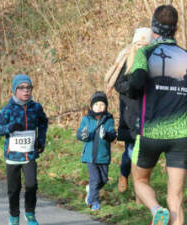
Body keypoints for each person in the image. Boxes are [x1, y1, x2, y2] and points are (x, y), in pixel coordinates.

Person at [125, 5, 187, 225]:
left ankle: (155, 209)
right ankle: (167, 212)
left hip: (150, 132)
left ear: (153, 28)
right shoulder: (185, 57)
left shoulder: (145, 53)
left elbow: (136, 84)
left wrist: (133, 89)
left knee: (140, 181)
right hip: (181, 137)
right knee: (176, 198)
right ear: (176, 28)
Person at [0, 74, 48, 225]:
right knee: (14, 189)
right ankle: (14, 216)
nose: (26, 91)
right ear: (15, 90)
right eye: (22, 88)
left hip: (29, 154)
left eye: (28, 87)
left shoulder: (36, 108)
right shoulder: (8, 109)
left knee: (31, 185)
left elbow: (43, 122)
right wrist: (9, 128)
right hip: (13, 156)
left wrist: (41, 140)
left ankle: (30, 214)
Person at [105, 27, 152, 194]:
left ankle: (141, 186)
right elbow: (118, 84)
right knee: (130, 150)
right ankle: (124, 174)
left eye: (144, 44)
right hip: (129, 110)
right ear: (134, 44)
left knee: (145, 153)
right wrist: (132, 88)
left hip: (147, 110)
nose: (141, 47)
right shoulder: (126, 59)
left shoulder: (153, 60)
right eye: (138, 43)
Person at [77, 91, 116, 211]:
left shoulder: (109, 119)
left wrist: (106, 135)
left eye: (102, 105)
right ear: (92, 106)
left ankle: (91, 190)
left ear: (106, 106)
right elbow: (80, 134)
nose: (99, 107)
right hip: (89, 156)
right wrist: (84, 135)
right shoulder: (86, 119)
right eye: (97, 104)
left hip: (103, 155)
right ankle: (94, 202)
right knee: (95, 179)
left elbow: (113, 135)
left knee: (103, 179)